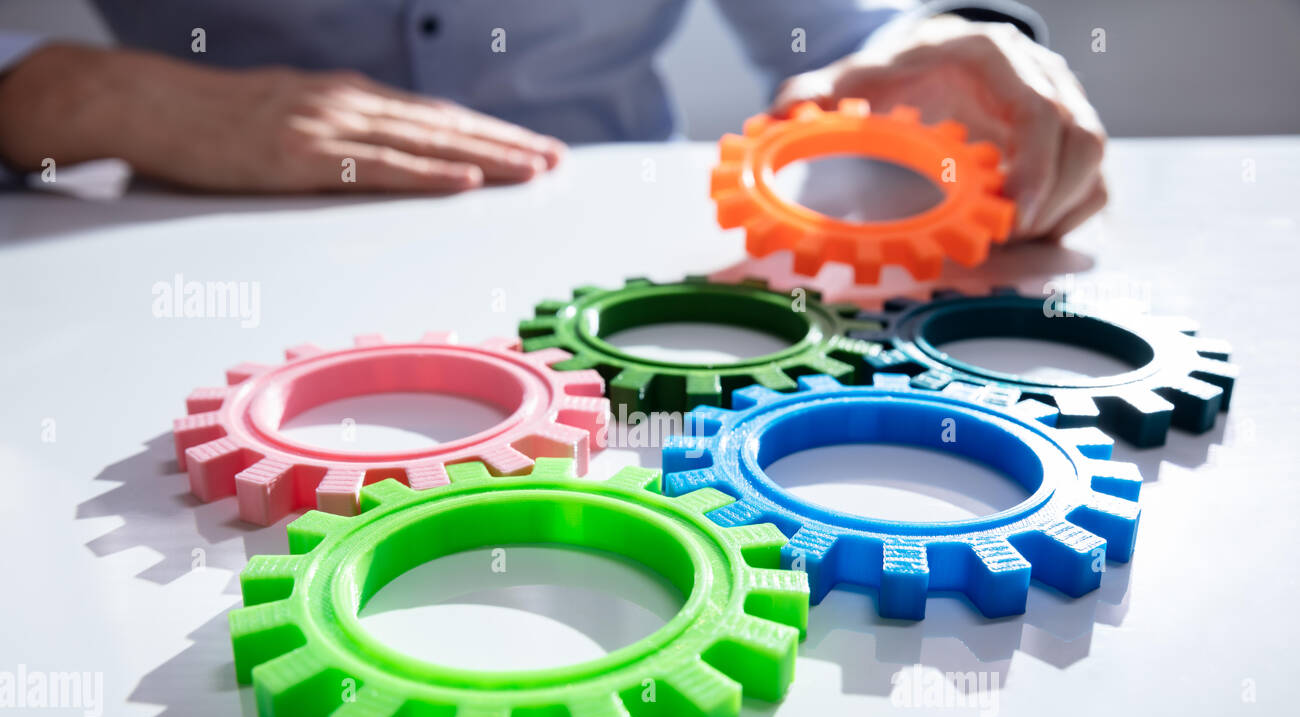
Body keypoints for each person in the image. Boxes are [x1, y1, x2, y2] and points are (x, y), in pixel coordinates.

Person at [0, 0, 1105, 240]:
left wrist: (956, 42)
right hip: (185, 232)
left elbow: (847, 34)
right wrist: (64, 91)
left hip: (621, 244)